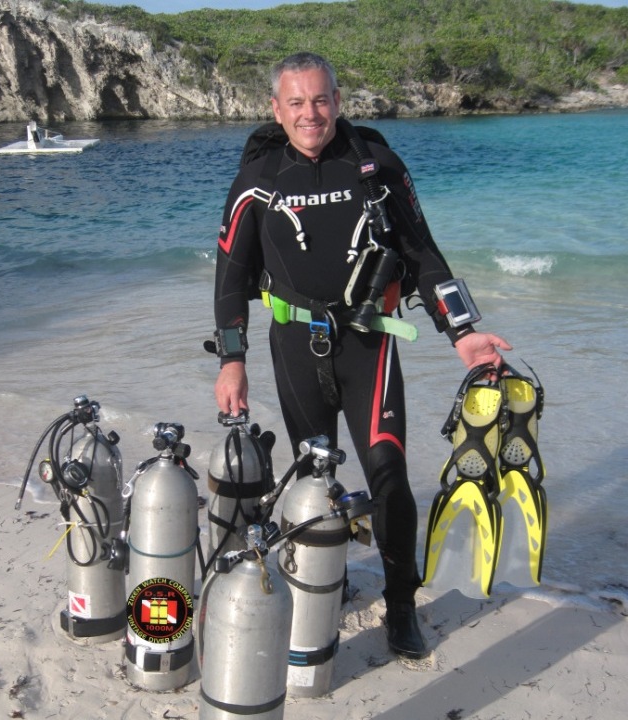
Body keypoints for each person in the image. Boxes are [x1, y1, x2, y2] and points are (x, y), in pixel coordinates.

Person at [211, 52, 511, 659]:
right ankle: (327, 580)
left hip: (369, 344)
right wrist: (232, 359)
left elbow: (423, 253)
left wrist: (463, 332)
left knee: (389, 477)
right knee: (311, 480)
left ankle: (402, 605)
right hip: (294, 344)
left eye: (320, 100)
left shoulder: (375, 166)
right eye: (295, 103)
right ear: (276, 108)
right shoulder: (257, 181)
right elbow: (229, 277)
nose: (309, 114)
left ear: (338, 100)